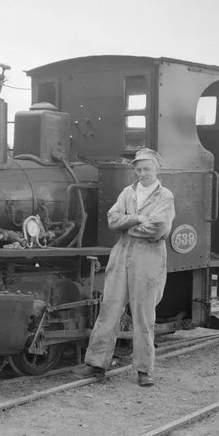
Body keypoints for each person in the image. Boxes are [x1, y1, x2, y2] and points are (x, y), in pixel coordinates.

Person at [75, 148, 175, 387]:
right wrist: (138, 219)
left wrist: (127, 224)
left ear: (157, 169)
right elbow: (112, 219)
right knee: (109, 308)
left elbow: (158, 228)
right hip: (122, 253)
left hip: (148, 254)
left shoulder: (165, 197)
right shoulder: (127, 193)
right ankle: (97, 363)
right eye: (139, 170)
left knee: (142, 314)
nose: (142, 174)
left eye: (147, 169)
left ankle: (144, 370)